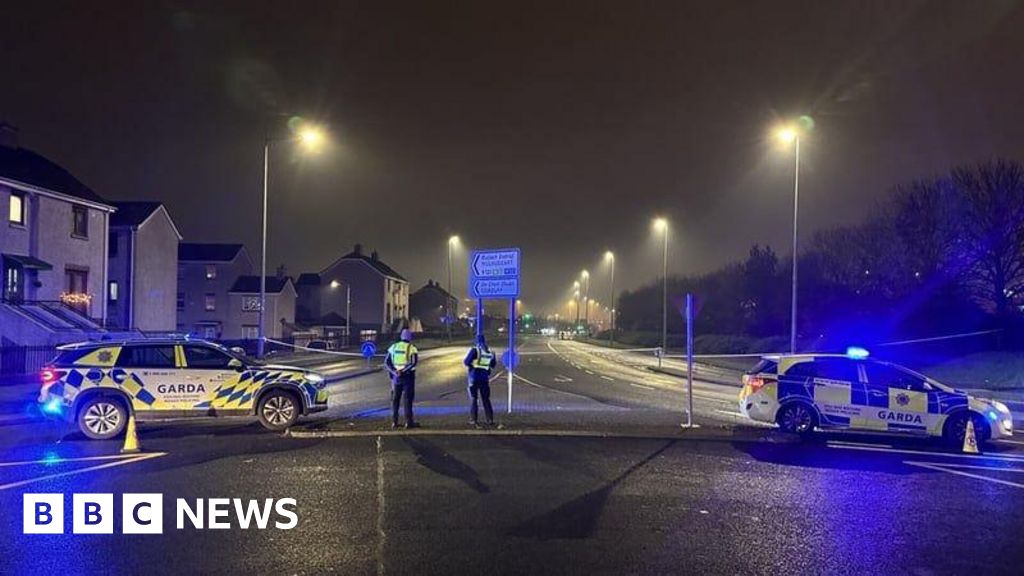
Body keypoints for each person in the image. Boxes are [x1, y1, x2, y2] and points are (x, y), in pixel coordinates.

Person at [385, 329, 419, 429]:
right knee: (408, 400)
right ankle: (408, 422)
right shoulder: (411, 348)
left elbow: (387, 362)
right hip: (408, 377)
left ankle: (394, 422)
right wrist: (403, 371)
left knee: (395, 400)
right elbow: (413, 363)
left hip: (396, 378)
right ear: (410, 338)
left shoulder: (393, 347)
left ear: (401, 337)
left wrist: (394, 371)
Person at [463, 334, 496, 427]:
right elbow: (493, 365)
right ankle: (490, 419)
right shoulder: (490, 352)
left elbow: (466, 362)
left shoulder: (475, 350)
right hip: (484, 378)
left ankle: (474, 420)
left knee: (474, 399)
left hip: (474, 377)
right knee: (486, 399)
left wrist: (471, 365)